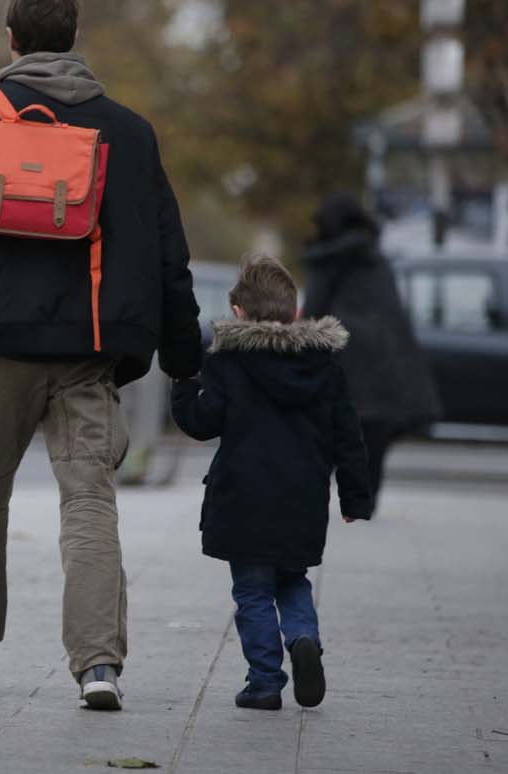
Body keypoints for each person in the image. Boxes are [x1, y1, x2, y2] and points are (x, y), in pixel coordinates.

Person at [0, 0, 203, 710]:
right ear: (72, 40)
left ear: (11, 39)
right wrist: (182, 358)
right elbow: (168, 251)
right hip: (87, 350)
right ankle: (98, 666)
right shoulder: (128, 131)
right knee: (88, 504)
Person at [171, 254, 373, 711]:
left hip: (244, 501)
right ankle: (302, 636)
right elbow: (349, 435)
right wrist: (356, 496)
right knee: (292, 580)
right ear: (293, 312)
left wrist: (184, 385)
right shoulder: (324, 368)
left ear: (238, 312)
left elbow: (203, 423)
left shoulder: (230, 363)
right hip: (302, 501)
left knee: (252, 592)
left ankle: (264, 681)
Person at [301, 192, 440, 498]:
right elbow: (394, 311)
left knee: (328, 426)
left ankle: (318, 488)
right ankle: (364, 495)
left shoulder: (324, 260)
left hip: (340, 354)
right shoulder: (375, 259)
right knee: (372, 430)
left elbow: (313, 309)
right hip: (382, 359)